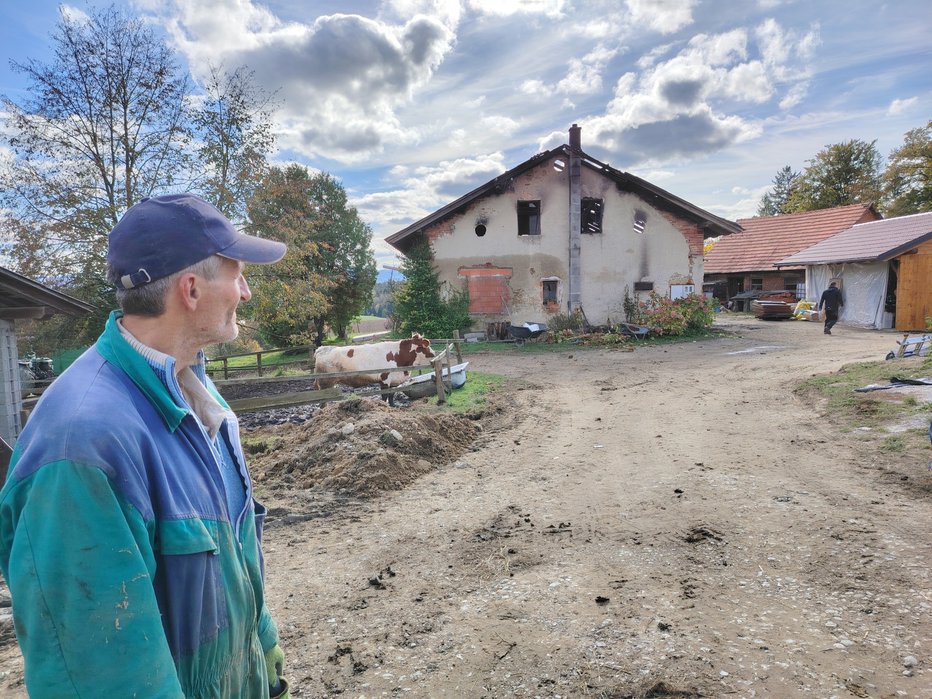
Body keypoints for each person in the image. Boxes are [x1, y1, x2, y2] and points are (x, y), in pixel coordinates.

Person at [0, 194, 291, 698]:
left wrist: (267, 661)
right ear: (192, 289)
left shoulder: (197, 394)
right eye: (237, 273)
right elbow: (104, 676)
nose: (245, 292)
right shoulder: (82, 445)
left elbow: (234, 557)